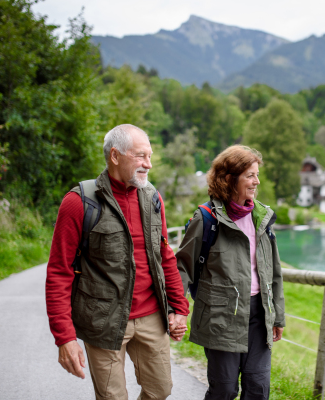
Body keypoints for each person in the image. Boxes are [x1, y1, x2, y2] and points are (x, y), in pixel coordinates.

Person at [45, 124, 189, 400]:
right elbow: (59, 272)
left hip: (151, 317)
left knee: (161, 390)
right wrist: (64, 337)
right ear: (115, 155)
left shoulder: (152, 198)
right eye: (140, 156)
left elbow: (164, 255)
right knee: (112, 398)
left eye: (150, 156)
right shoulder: (79, 202)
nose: (148, 164)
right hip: (102, 321)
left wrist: (179, 308)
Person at [176, 145, 286, 400]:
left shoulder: (262, 218)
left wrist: (277, 316)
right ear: (228, 178)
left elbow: (275, 272)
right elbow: (182, 266)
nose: (256, 182)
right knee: (224, 390)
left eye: (257, 175)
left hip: (259, 316)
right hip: (220, 317)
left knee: (258, 388)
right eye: (250, 175)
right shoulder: (206, 219)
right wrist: (177, 311)